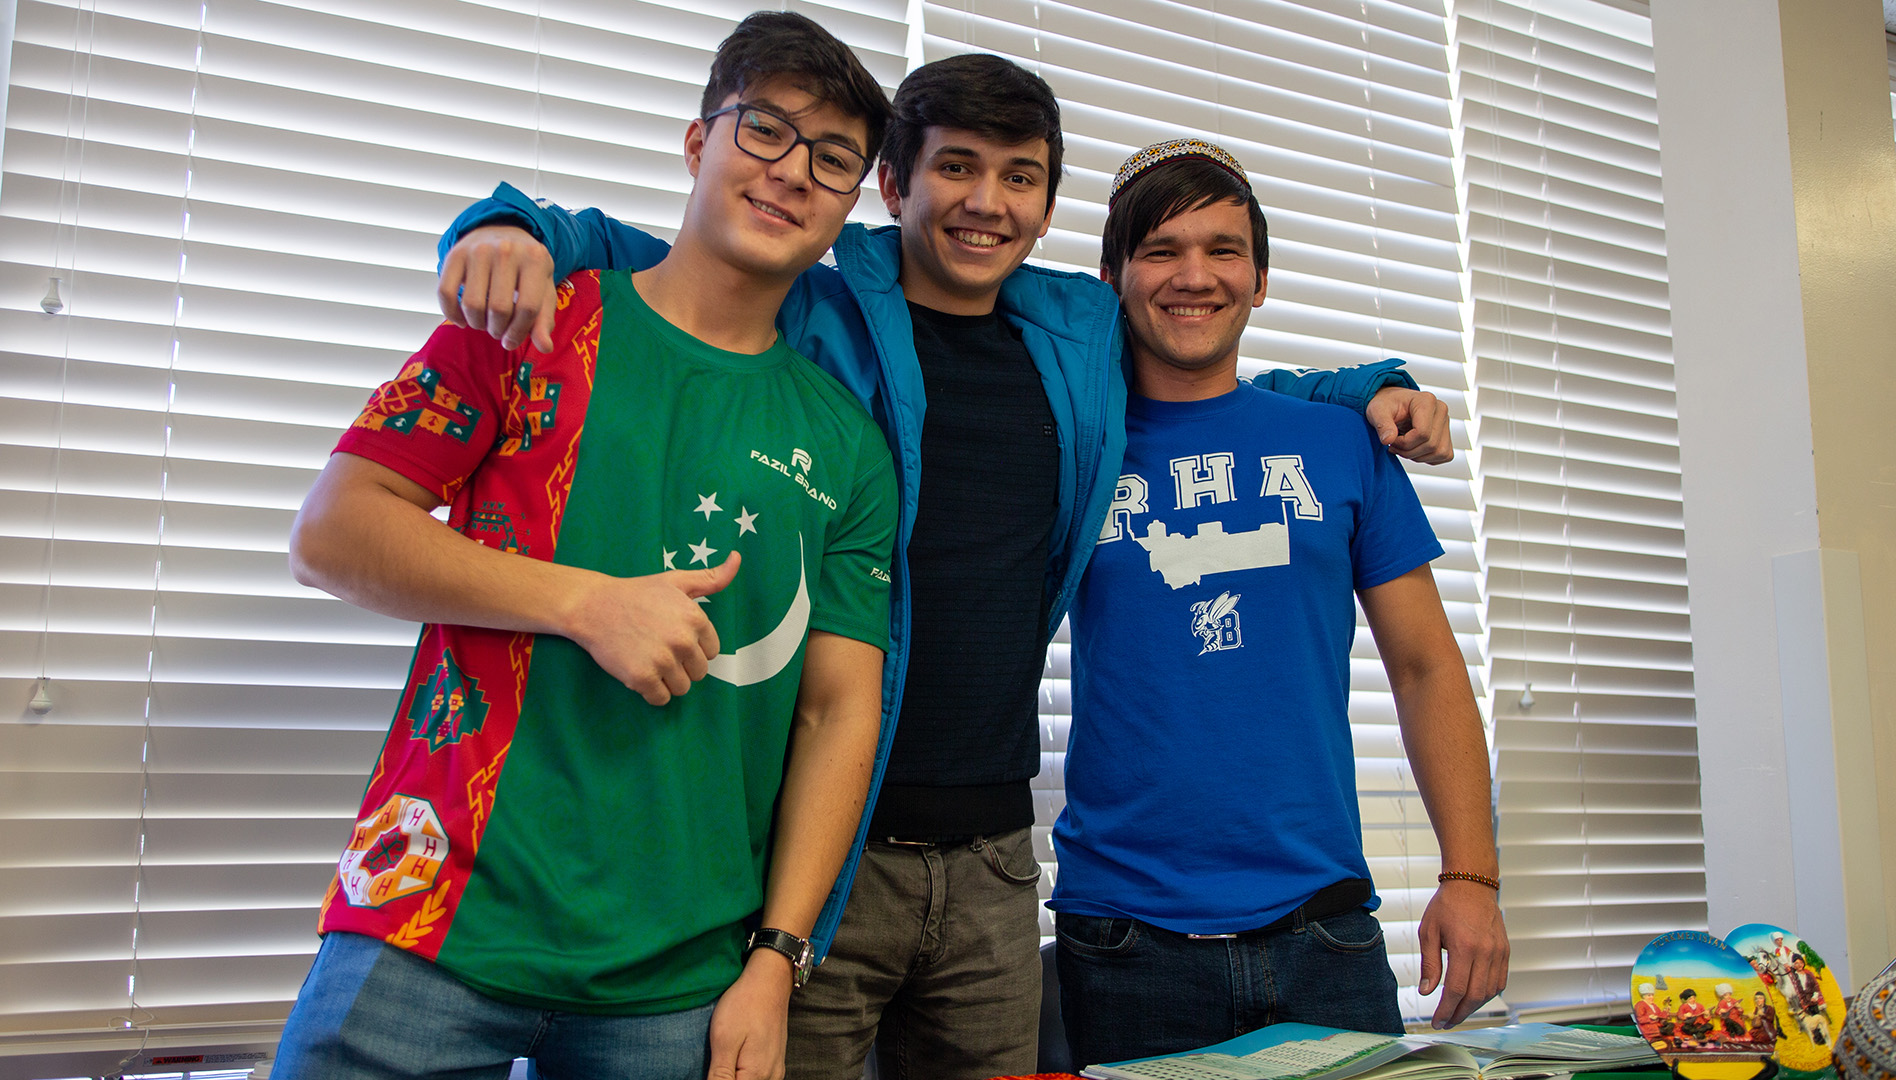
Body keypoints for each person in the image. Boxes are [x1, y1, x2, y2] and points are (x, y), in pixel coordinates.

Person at [433, 56, 1454, 1079]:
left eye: (1019, 176)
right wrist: (510, 223)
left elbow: (1211, 370)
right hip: (830, 849)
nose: (985, 201)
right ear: (893, 185)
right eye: (956, 167)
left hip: (996, 864)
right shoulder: (819, 312)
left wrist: (1369, 384)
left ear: (1049, 206)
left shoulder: (1077, 334)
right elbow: (655, 258)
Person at [271, 14, 898, 1079]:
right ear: (699, 144)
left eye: (832, 159)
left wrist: (777, 963)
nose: (792, 173)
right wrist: (584, 602)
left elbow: (840, 709)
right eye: (765, 131)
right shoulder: (527, 317)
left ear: (848, 207)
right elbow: (334, 531)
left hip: (678, 978)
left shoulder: (848, 444)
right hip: (434, 918)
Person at [1046, 141, 1508, 1069]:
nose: (1194, 276)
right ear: (1112, 277)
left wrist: (1470, 876)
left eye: (1223, 250)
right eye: (1162, 249)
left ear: (1259, 280)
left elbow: (1423, 667)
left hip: (1325, 936)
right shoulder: (1071, 449)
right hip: (1125, 940)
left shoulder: (1342, 443)